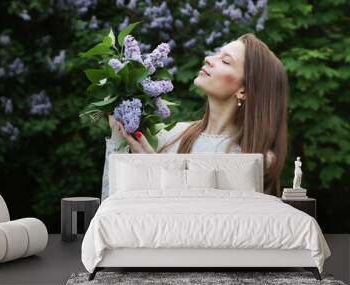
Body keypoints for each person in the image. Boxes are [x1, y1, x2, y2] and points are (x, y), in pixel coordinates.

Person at [101, 33, 288, 201]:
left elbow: (226, 229)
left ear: (244, 90)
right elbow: (113, 207)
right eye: (216, 54)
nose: (208, 59)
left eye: (226, 61)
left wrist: (157, 170)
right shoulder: (170, 136)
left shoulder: (257, 160)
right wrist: (118, 136)